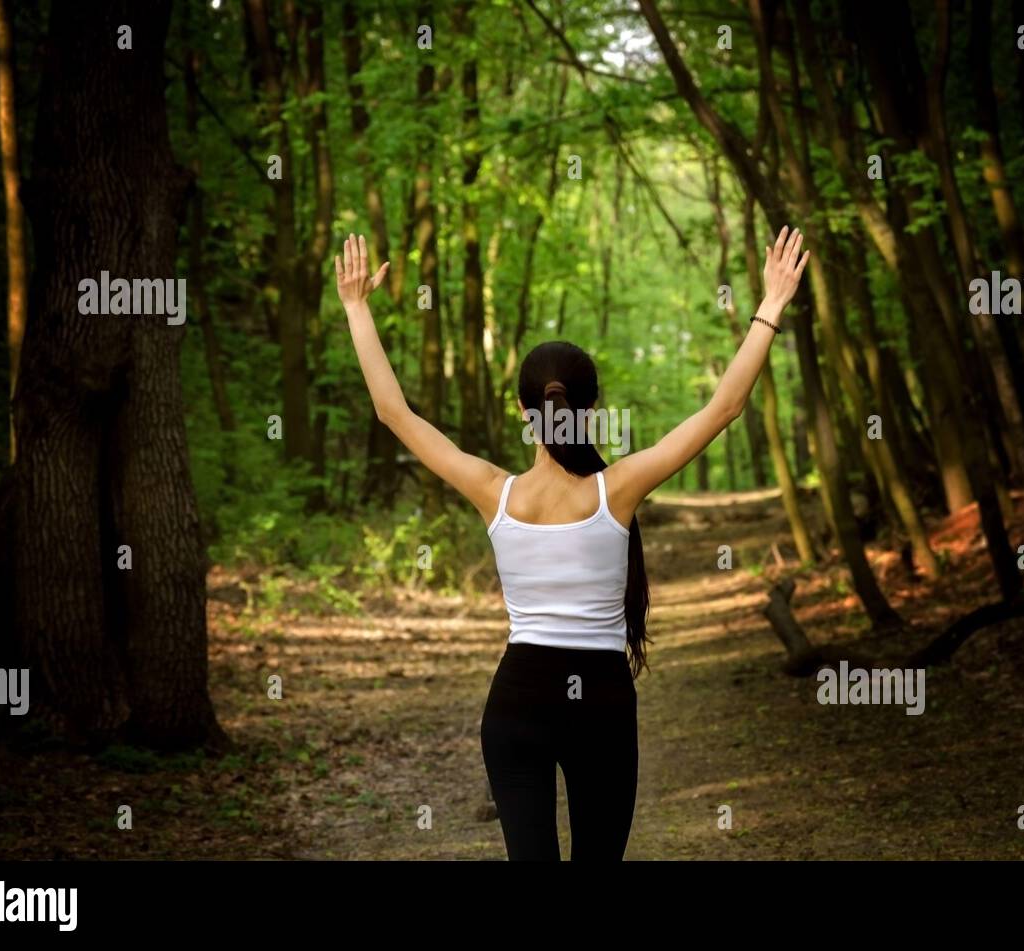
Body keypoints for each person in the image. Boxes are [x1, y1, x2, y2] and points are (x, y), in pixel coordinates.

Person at [335, 226, 811, 860]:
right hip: (602, 706)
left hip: (515, 704)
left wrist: (356, 308)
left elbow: (394, 412)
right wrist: (770, 306)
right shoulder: (618, 490)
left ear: (524, 412)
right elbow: (724, 408)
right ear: (590, 408)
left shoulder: (493, 492)